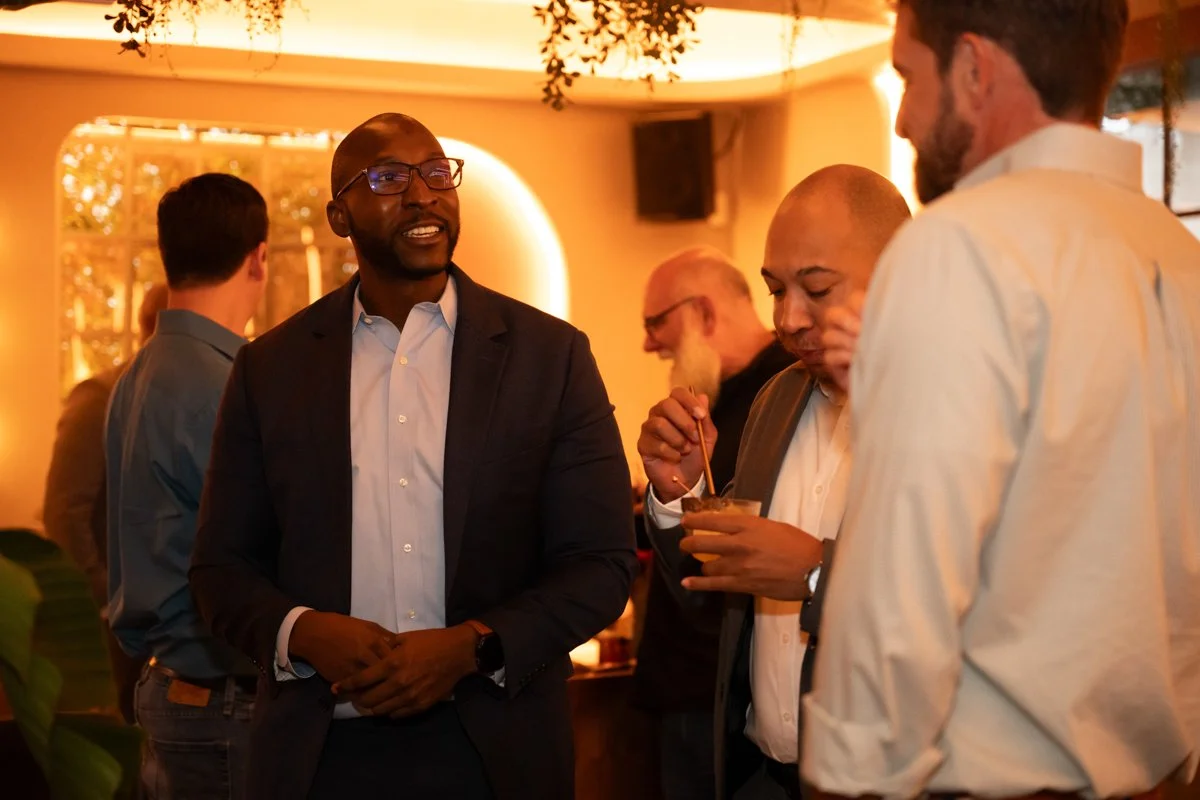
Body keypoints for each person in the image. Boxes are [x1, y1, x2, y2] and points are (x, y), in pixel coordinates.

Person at [803, 2, 1200, 799]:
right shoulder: (1180, 256)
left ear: (975, 69)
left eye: (908, 75)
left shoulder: (960, 244)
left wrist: (844, 779)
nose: (907, 119)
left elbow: (901, 593)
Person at [188, 112, 636, 800]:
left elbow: (600, 564)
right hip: (319, 755)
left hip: (495, 752)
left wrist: (473, 646)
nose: (423, 194)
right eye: (390, 178)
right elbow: (220, 570)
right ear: (341, 215)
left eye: (436, 173)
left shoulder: (550, 357)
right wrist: (303, 632)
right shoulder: (269, 369)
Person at [639, 165, 912, 800]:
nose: (788, 319)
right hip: (757, 773)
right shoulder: (776, 400)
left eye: (816, 289)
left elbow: (975, 595)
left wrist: (817, 574)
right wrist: (681, 498)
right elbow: (713, 600)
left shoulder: (950, 404)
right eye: (774, 289)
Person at [105, 174, 268, 799]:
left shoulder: (139, 372)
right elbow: (256, 544)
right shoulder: (222, 385)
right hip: (219, 697)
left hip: (171, 683)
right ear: (257, 259)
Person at [634, 247, 795, 800]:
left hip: (734, 697)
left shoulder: (785, 395)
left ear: (703, 312)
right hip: (687, 685)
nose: (649, 343)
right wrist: (664, 495)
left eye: (657, 322)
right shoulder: (721, 400)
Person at [43, 282, 167, 723]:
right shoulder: (98, 399)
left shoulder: (172, 403)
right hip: (107, 624)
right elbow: (65, 510)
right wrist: (103, 599)